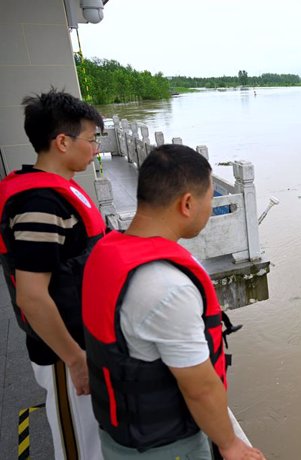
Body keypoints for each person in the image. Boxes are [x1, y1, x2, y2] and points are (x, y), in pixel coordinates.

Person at [82, 144, 265, 460]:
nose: (211, 208)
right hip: (167, 448)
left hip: (120, 438)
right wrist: (231, 444)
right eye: (211, 198)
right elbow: (200, 388)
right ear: (188, 204)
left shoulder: (105, 252)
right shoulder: (168, 288)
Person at [0, 89, 106, 459]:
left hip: (83, 338)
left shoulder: (59, 193)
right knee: (79, 444)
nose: (95, 149)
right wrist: (75, 359)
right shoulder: (39, 205)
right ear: (62, 142)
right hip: (64, 350)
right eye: (91, 139)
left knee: (95, 434)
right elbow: (31, 295)